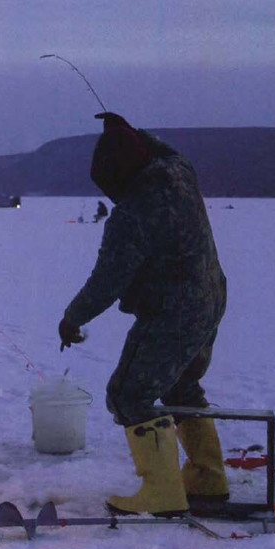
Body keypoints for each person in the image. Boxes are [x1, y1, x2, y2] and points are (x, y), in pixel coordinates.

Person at [58, 112, 228, 516]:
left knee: (129, 394)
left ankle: (163, 492)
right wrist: (126, 130)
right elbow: (163, 147)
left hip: (174, 311)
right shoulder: (178, 170)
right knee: (181, 388)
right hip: (211, 295)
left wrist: (73, 318)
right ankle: (208, 477)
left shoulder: (133, 214)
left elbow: (108, 279)